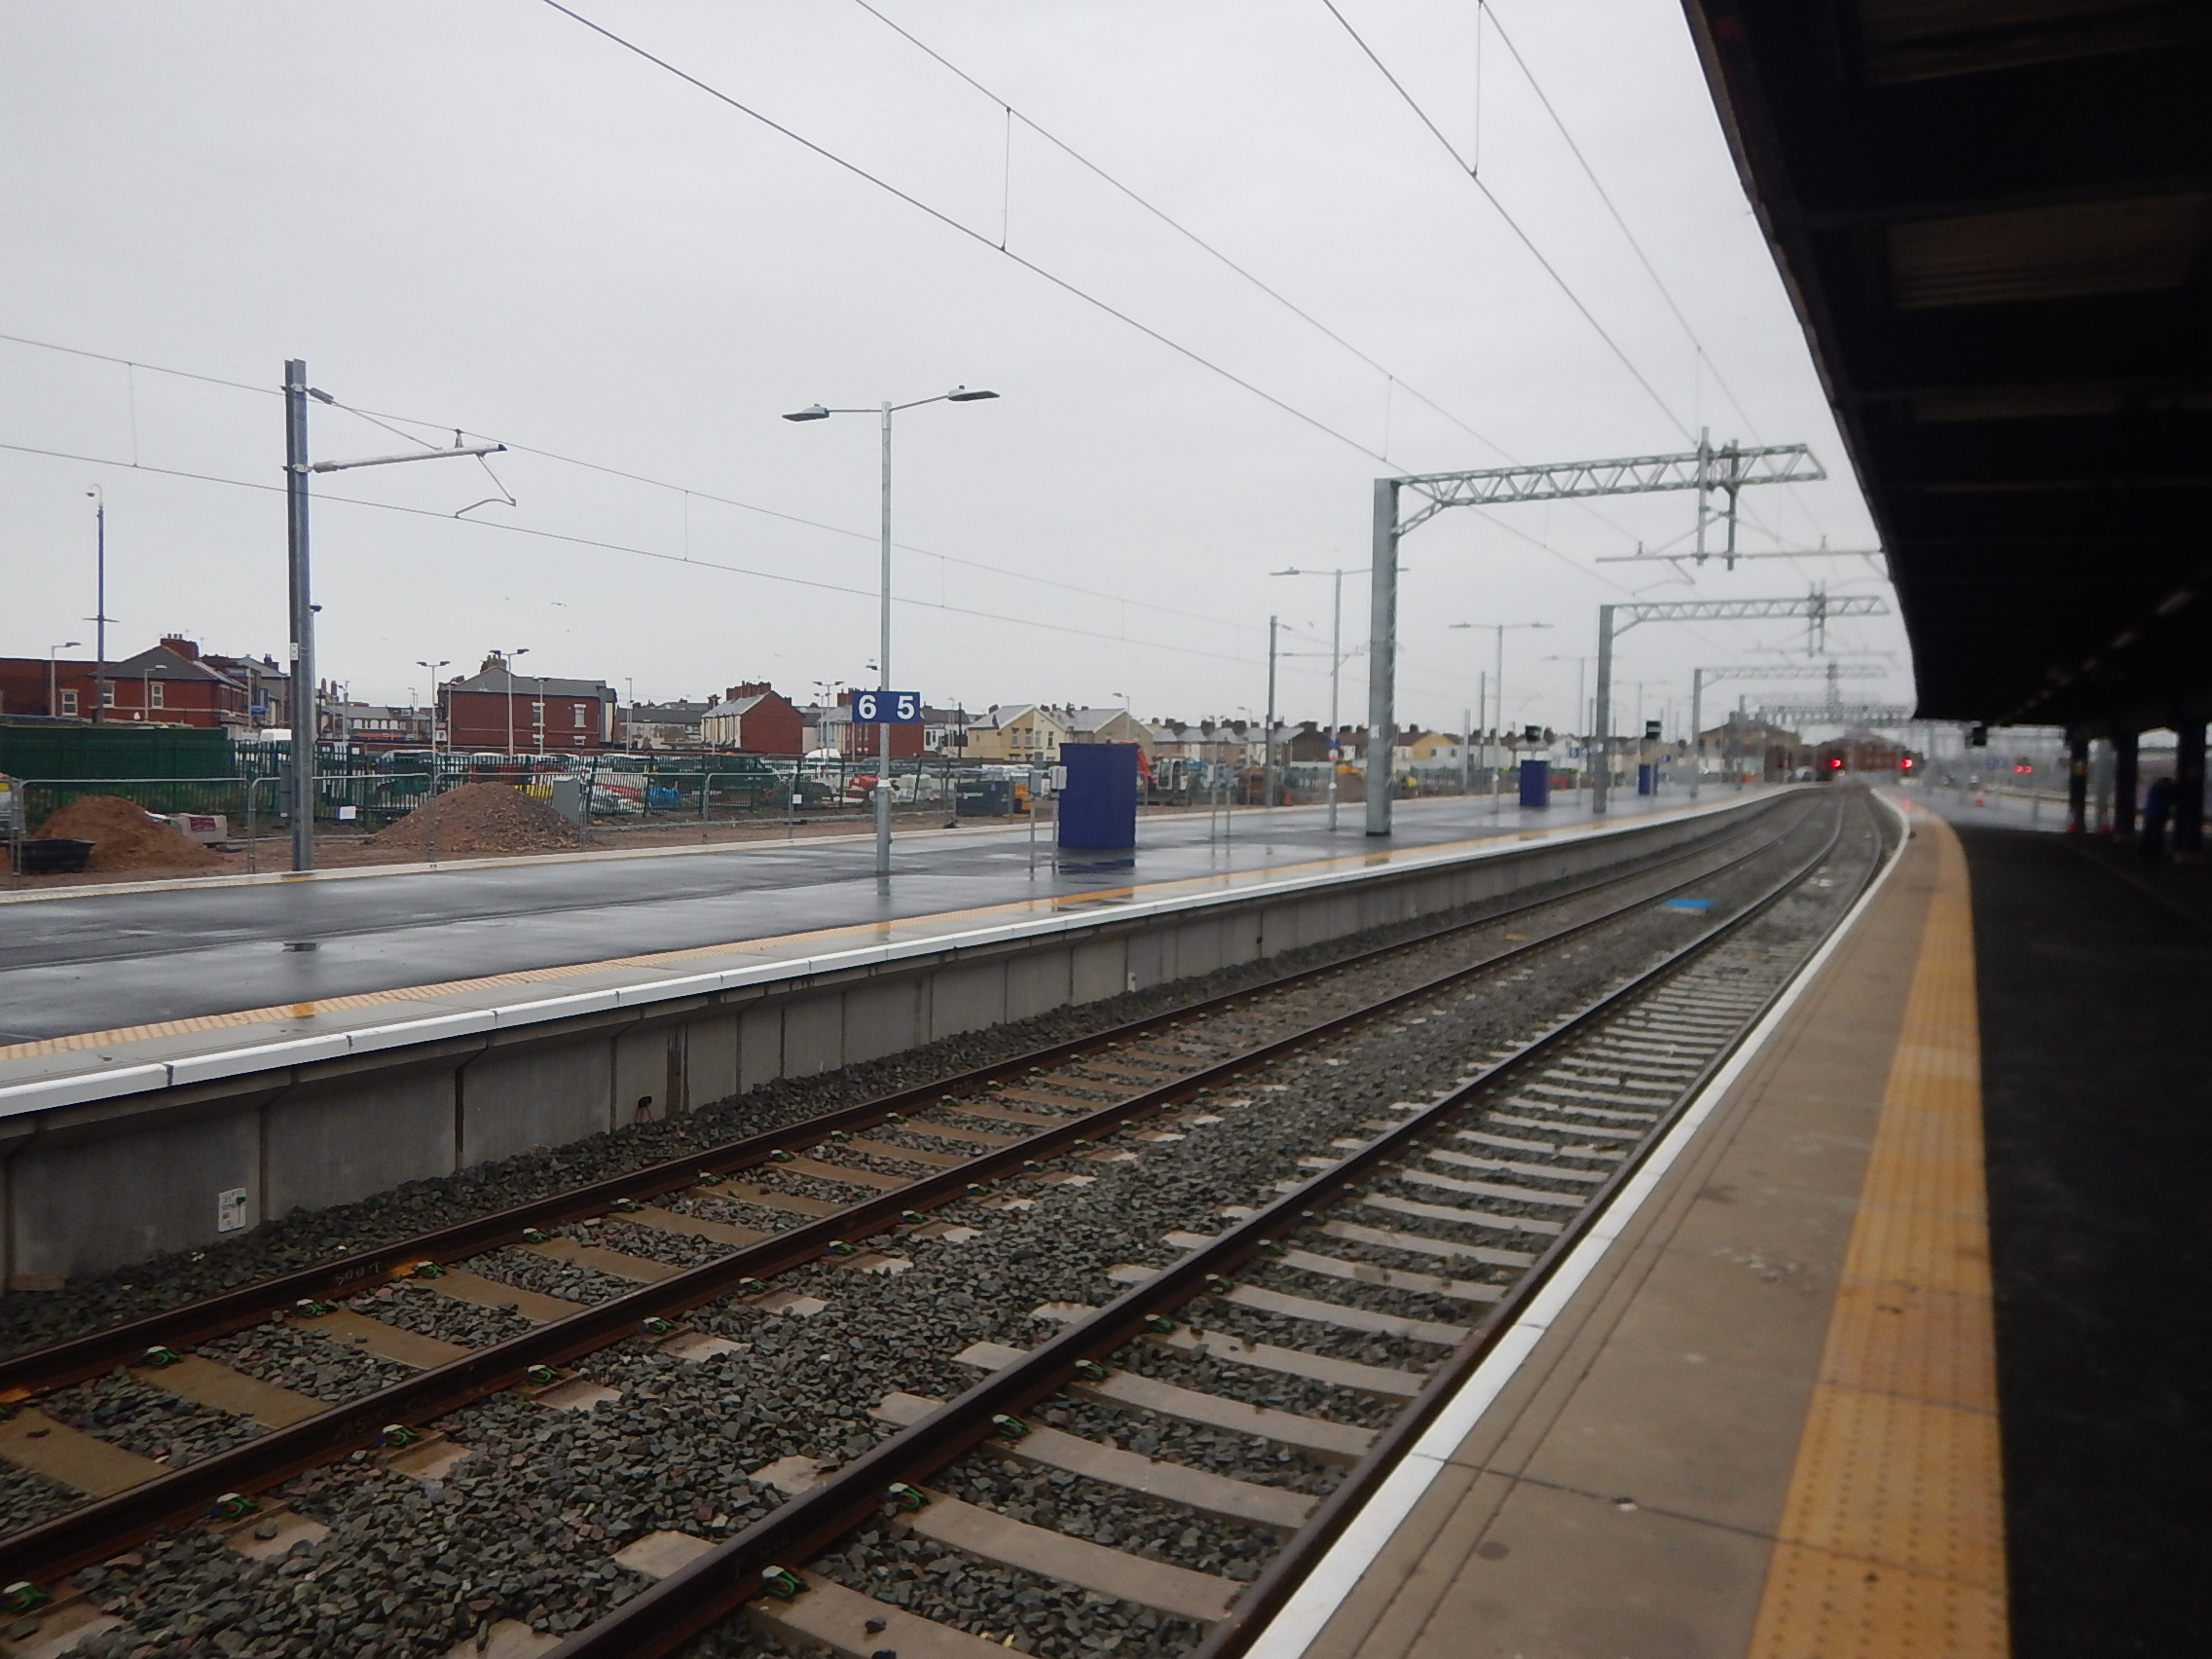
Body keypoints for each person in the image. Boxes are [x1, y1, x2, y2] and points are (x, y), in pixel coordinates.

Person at [2140, 775, 2172, 859]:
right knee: (2158, 834)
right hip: (2159, 816)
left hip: (2150, 815)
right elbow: (2165, 803)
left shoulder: (2153, 790)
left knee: (2148, 833)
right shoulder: (2163, 793)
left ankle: (2145, 850)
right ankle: (2156, 851)